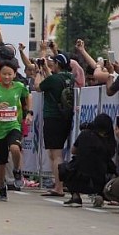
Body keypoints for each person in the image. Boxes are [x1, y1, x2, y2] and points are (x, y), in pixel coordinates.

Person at [0, 63, 32, 202]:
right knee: (1, 163)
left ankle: (17, 170)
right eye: (4, 74)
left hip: (13, 125)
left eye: (10, 74)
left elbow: (28, 96)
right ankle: (1, 187)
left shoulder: (19, 86)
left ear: (14, 74)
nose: (6, 77)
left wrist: (29, 112)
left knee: (15, 148)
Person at [35, 52, 75, 197]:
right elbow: (52, 79)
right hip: (66, 117)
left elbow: (38, 86)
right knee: (58, 152)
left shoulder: (53, 79)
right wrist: (46, 68)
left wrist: (39, 71)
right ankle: (59, 185)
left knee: (55, 154)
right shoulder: (70, 77)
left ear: (57, 64)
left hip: (52, 117)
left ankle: (58, 187)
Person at [59, 114, 116, 207]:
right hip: (100, 180)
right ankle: (101, 195)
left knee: (64, 167)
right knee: (110, 170)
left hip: (79, 178)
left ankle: (75, 196)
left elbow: (73, 151)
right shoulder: (110, 141)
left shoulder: (85, 134)